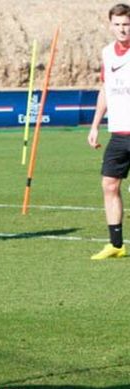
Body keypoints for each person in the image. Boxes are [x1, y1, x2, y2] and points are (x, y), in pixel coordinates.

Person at [88, 3, 130, 260]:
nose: (122, 29)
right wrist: (95, 125)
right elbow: (105, 89)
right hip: (117, 134)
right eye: (117, 24)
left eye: (126, 24)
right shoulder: (107, 53)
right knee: (109, 185)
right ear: (110, 25)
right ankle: (116, 245)